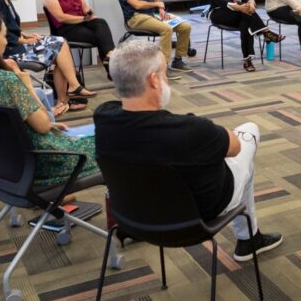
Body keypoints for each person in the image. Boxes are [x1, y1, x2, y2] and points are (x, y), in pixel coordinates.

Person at [94, 40, 283, 261]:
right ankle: (248, 239)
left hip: (133, 219)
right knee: (249, 134)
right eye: (164, 74)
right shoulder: (192, 130)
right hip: (195, 220)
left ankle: (249, 238)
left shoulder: (103, 117)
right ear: (154, 80)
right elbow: (235, 147)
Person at [0, 9, 100, 187]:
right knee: (113, 139)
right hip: (45, 160)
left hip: (11, 160)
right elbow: (43, 126)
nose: (6, 42)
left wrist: (49, 124)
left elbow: (15, 122)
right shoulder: (5, 80)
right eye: (4, 36)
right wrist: (27, 84)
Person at [0, 0, 95, 116]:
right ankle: (70, 91)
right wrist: (25, 40)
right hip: (11, 51)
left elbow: (11, 26)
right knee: (59, 45)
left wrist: (25, 34)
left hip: (17, 44)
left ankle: (66, 98)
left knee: (59, 45)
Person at [114, 0, 193, 72]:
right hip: (136, 18)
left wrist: (161, 9)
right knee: (166, 29)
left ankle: (178, 60)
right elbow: (137, 4)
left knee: (185, 26)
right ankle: (163, 67)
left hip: (152, 15)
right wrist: (156, 4)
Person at [208, 0, 285, 72]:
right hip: (220, 14)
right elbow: (222, 1)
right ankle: (266, 32)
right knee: (245, 15)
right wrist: (241, 8)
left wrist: (251, 4)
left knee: (246, 23)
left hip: (241, 13)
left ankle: (248, 60)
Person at [42, 0, 116, 77]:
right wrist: (83, 18)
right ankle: (112, 68)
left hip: (81, 23)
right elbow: (61, 18)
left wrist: (89, 13)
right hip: (66, 30)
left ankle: (110, 56)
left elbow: (85, 8)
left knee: (100, 22)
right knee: (101, 37)